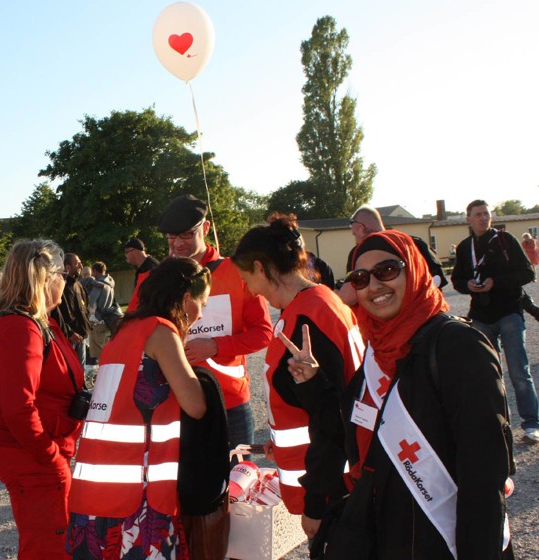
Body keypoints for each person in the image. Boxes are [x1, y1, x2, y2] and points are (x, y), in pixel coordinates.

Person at [325, 230, 514, 559]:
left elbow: (484, 472)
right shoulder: (375, 349)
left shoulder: (457, 344)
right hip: (387, 534)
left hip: (442, 540)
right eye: (360, 277)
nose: (374, 286)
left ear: (413, 269)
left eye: (387, 270)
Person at [67, 257, 229, 560]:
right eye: (202, 303)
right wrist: (199, 373)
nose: (202, 313)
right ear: (184, 299)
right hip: (136, 500)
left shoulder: (126, 332)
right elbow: (195, 405)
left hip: (96, 493)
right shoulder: (162, 333)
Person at [232, 213, 364, 540]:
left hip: (336, 487)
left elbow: (331, 417)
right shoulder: (320, 303)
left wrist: (317, 503)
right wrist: (278, 442)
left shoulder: (307, 320)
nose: (248, 289)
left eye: (247, 279)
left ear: (262, 269)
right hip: (337, 478)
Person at [0, 239, 85, 559]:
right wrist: (50, 457)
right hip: (32, 457)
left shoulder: (28, 320)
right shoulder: (20, 327)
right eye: (61, 275)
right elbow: (19, 407)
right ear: (45, 278)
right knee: (49, 547)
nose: (65, 281)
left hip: (33, 452)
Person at [153, 194, 272, 452]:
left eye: (185, 234)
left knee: (238, 485)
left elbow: (263, 333)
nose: (177, 244)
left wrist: (215, 346)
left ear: (205, 228)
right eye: (171, 237)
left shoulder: (236, 272)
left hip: (230, 403)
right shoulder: (158, 277)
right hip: (174, 403)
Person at [452, 199, 539, 444]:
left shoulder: (505, 240)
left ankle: (532, 424)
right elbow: (457, 279)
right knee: (487, 375)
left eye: (486, 214)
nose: (483, 218)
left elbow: (527, 273)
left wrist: (496, 282)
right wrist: (467, 285)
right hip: (481, 316)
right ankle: (499, 426)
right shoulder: (464, 247)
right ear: (468, 219)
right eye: (478, 214)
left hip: (509, 312)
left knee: (519, 371)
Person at [340, 205, 447, 307]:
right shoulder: (415, 244)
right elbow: (438, 283)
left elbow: (348, 297)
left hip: (386, 322)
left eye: (355, 234)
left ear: (360, 228)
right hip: (427, 316)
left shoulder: (358, 253)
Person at [52, 253, 91, 368]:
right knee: (69, 369)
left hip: (81, 338)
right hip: (68, 338)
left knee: (80, 370)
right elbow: (56, 313)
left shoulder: (79, 286)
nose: (81, 265)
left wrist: (86, 328)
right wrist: (69, 332)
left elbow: (84, 309)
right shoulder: (60, 287)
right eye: (77, 263)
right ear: (68, 267)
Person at [87, 261, 123, 363]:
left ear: (95, 271)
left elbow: (92, 302)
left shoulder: (99, 284)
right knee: (108, 349)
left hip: (97, 320)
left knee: (99, 354)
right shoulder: (110, 283)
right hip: (108, 319)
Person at [124, 237, 160, 308]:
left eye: (126, 252)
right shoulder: (143, 268)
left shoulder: (151, 269)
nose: (125, 255)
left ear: (135, 251)